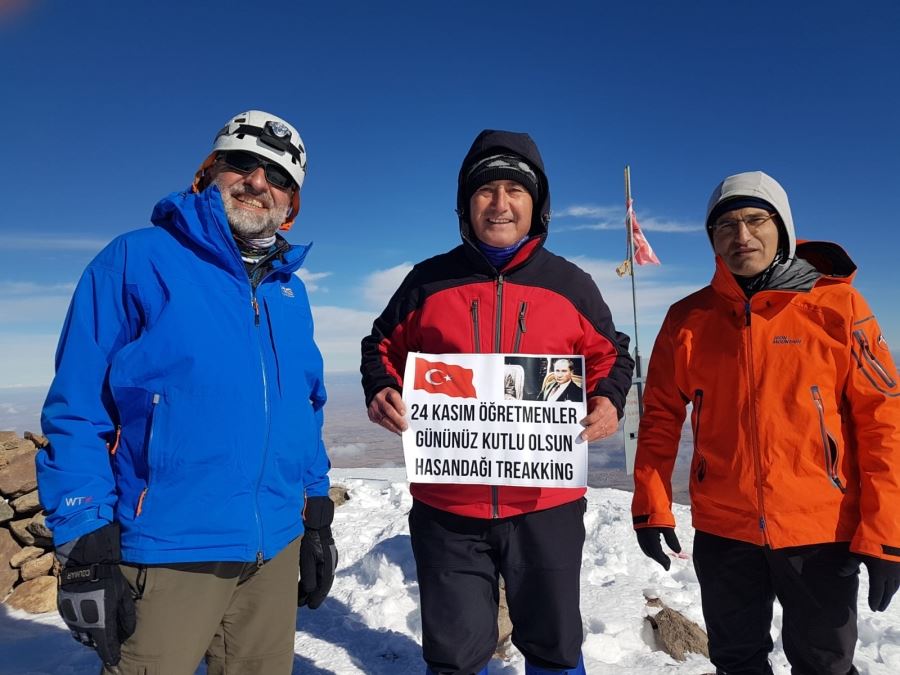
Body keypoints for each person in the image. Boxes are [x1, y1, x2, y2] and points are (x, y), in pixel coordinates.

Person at [36, 110, 337, 675]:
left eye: (278, 177)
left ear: (291, 205)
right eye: (241, 163)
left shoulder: (289, 293)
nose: (257, 182)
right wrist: (82, 540)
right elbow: (77, 410)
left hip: (272, 549)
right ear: (208, 171)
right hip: (168, 549)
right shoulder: (134, 259)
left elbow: (305, 405)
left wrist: (315, 509)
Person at [361, 129, 634, 675]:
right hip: (448, 505)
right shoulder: (427, 281)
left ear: (539, 205)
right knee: (456, 654)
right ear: (465, 204)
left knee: (555, 645)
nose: (501, 203)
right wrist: (381, 388)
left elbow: (612, 356)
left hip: (546, 504)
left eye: (515, 189)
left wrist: (607, 399)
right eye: (485, 190)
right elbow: (381, 346)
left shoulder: (571, 284)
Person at [631, 171, 900, 675]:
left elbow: (883, 420)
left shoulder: (838, 308)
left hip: (821, 529)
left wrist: (885, 531)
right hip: (723, 530)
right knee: (736, 661)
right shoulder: (687, 319)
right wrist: (651, 504)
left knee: (824, 664)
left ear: (783, 227)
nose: (742, 236)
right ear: (712, 240)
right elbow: (661, 417)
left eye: (757, 220)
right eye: (726, 225)